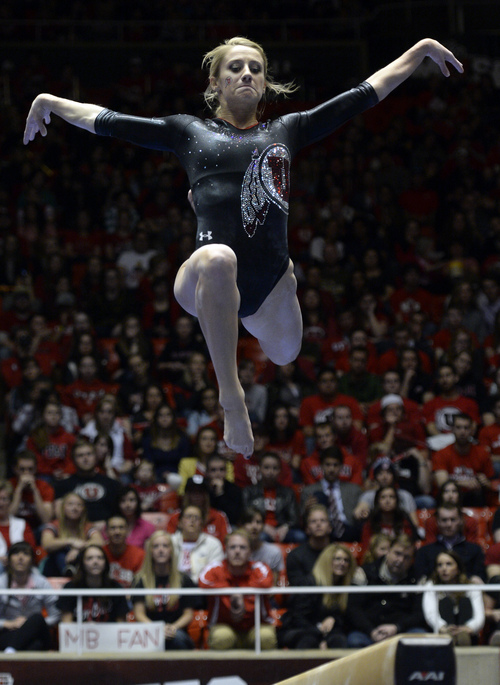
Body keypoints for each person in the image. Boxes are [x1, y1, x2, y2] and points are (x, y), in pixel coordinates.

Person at [24, 36, 463, 459]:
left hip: (267, 285)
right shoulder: (188, 131)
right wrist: (50, 102)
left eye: (256, 68)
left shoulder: (287, 129)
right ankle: (231, 400)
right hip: (206, 276)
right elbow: (108, 121)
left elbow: (363, 95)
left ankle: (283, 281)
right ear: (215, 82)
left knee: (286, 354)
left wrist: (419, 50)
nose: (247, 74)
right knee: (218, 257)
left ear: (266, 82)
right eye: (235, 68)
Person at [198, 530, 276, 650]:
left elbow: (266, 582)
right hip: (223, 626)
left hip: (257, 626)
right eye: (232, 547)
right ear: (225, 550)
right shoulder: (215, 568)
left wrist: (239, 592)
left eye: (242, 547)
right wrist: (232, 591)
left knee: (266, 637)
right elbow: (203, 581)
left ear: (250, 551)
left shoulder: (259, 568)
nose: (237, 551)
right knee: (221, 637)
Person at [345, 534, 427, 647]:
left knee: (419, 637)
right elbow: (353, 608)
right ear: (388, 551)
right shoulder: (365, 573)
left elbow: (419, 613)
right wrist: (371, 631)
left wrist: (397, 627)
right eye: (397, 553)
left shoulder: (418, 579)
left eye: (407, 557)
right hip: (369, 631)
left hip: (402, 630)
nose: (400, 560)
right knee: (355, 640)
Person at [278, 543, 365, 649]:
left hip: (327, 631)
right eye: (337, 559)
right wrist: (319, 634)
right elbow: (298, 618)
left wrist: (334, 619)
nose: (342, 563)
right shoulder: (310, 583)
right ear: (327, 561)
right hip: (299, 629)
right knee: (309, 640)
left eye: (346, 560)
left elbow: (347, 616)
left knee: (339, 639)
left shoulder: (348, 587)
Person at [132, 530, 200, 650]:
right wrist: (158, 630)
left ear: (171, 550)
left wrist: (173, 628)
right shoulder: (140, 580)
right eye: (156, 546)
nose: (161, 550)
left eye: (165, 546)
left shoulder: (184, 579)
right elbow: (139, 614)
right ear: (150, 551)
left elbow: (188, 614)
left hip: (176, 631)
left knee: (177, 638)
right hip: (149, 632)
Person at [0, 541, 60, 652]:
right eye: (16, 553)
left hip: (37, 632)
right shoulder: (1, 583)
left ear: (32, 560)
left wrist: (30, 624)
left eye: (25, 554)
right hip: (8, 631)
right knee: (36, 645)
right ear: (9, 559)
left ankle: (11, 651)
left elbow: (55, 615)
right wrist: (8, 623)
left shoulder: (42, 582)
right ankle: (11, 650)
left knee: (37, 618)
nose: (20, 558)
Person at [422, 550, 484, 645]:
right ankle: (449, 637)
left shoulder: (471, 586)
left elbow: (479, 615)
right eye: (440, 565)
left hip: (468, 632)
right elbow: (430, 614)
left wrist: (468, 628)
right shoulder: (431, 586)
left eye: (449, 564)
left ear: (458, 568)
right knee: (445, 602)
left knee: (464, 601)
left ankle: (463, 638)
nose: (444, 568)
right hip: (443, 631)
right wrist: (443, 627)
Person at [432, 412, 494, 506]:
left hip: (475, 498)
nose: (462, 432)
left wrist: (485, 483)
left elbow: (491, 484)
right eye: (458, 427)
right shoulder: (441, 454)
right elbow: (442, 483)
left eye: (466, 428)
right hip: (449, 500)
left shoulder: (482, 453)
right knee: (449, 493)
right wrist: (463, 483)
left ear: (472, 431)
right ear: (452, 429)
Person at [414, 503, 486, 583]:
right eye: (444, 520)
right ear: (437, 522)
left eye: (453, 519)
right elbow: (420, 578)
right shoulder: (425, 552)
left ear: (461, 521)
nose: (449, 524)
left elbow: (480, 577)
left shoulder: (474, 550)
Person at [301, 447, 362, 542]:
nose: (331, 469)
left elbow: (358, 518)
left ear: (341, 467)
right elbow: (302, 521)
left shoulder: (354, 490)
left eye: (335, 465)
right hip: (322, 530)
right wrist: (306, 510)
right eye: (328, 465)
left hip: (348, 530)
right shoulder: (309, 491)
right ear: (321, 466)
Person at [54, 440, 121, 526]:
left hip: (107, 529)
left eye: (89, 454)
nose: (85, 459)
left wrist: (106, 526)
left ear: (95, 457)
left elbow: (120, 514)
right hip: (75, 530)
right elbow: (60, 516)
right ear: (73, 460)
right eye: (80, 455)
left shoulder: (112, 484)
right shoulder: (63, 485)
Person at [243, 451, 305, 543]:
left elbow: (294, 519)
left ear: (280, 470)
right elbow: (246, 516)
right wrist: (263, 526)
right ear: (259, 468)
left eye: (275, 468)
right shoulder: (249, 491)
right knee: (262, 537)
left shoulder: (288, 493)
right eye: (266, 467)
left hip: (282, 528)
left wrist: (285, 527)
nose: (270, 472)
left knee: (300, 536)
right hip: (260, 528)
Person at [58, 544, 129, 622]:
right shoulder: (70, 588)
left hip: (109, 630)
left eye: (100, 558)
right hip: (79, 629)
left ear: (105, 562)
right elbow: (66, 623)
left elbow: (121, 624)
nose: (95, 562)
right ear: (82, 563)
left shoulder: (115, 588)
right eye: (89, 558)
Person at [41, 492, 104, 577]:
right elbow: (46, 544)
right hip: (55, 569)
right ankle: (67, 571)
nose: (75, 508)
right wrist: (71, 542)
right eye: (70, 504)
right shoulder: (54, 525)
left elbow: (99, 541)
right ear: (63, 508)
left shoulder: (87, 526)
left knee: (89, 553)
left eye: (79, 505)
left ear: (83, 509)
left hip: (80, 565)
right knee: (60, 551)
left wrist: (78, 549)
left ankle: (73, 573)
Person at [170, 504, 224, 583]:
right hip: (174, 586)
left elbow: (215, 571)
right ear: (180, 522)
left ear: (202, 523)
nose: (192, 520)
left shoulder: (213, 544)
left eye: (196, 517)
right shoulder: (170, 542)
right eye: (188, 517)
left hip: (202, 587)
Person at [9, 450, 54, 533]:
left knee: (46, 529)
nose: (26, 473)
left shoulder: (44, 487)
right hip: (14, 528)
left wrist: (35, 490)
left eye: (30, 469)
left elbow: (46, 519)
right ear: (15, 469)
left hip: (37, 527)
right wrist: (19, 490)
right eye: (22, 469)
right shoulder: (9, 486)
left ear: (36, 469)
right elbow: (8, 517)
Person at [240, 506, 284, 583]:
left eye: (258, 522)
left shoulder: (274, 552)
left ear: (263, 526)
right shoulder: (234, 550)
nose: (254, 526)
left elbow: (272, 586)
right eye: (249, 522)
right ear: (242, 525)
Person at [0, 481, 37, 572]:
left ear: (10, 501)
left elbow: (30, 551)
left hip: (20, 567)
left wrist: (13, 559)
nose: (1, 503)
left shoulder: (21, 524)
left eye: (4, 499)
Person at [103, 514, 145, 588]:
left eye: (121, 528)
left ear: (127, 531)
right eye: (113, 528)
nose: (117, 532)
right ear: (106, 531)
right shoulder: (100, 554)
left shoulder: (140, 555)